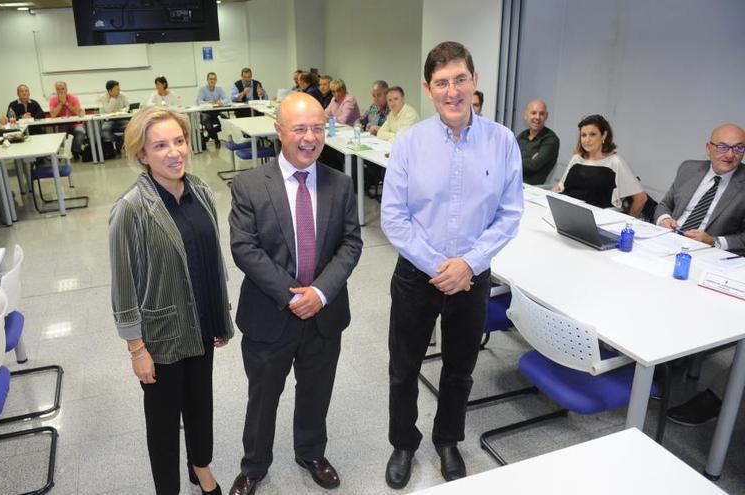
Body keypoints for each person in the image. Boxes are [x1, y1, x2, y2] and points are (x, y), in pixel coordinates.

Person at [380, 41, 523, 488]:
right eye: (442, 83)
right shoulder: (409, 143)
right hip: (415, 276)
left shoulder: (502, 142)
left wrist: (469, 264)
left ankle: (447, 439)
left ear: (474, 81)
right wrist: (439, 265)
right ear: (428, 88)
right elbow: (394, 217)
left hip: (472, 278)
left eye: (460, 79)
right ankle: (403, 442)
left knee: (460, 368)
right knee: (404, 367)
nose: (452, 91)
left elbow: (510, 213)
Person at [227, 93, 363, 495]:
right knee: (263, 397)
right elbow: (244, 248)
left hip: (324, 314)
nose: (309, 138)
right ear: (279, 130)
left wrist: (319, 293)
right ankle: (254, 467)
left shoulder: (340, 184)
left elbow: (351, 244)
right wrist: (292, 296)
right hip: (270, 316)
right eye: (300, 128)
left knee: (317, 391)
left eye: (318, 128)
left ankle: (311, 452)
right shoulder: (249, 184)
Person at [108, 107, 233, 495]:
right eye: (160, 145)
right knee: (163, 422)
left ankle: (201, 468)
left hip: (201, 322)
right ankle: (168, 488)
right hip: (160, 335)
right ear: (142, 155)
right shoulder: (131, 208)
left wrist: (220, 305)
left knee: (200, 405)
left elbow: (211, 254)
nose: (174, 152)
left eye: (179, 141)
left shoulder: (200, 189)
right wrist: (136, 349)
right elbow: (123, 284)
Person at [655, 123, 745, 253]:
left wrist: (714, 241)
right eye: (722, 147)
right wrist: (664, 219)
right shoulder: (688, 169)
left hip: (710, 253)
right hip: (668, 240)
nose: (730, 155)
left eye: (738, 148)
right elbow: (665, 204)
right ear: (708, 149)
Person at [552, 114, 647, 217]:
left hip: (598, 220)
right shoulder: (576, 159)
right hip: (566, 214)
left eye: (592, 134)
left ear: (604, 135)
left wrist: (626, 225)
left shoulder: (615, 162)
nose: (587, 140)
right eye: (583, 135)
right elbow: (559, 187)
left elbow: (641, 198)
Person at [515, 99, 560, 185]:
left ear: (546, 116)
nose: (537, 117)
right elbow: (508, 156)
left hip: (533, 191)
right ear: (525, 115)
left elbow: (533, 166)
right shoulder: (522, 136)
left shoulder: (551, 140)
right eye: (533, 113)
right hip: (513, 184)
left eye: (542, 114)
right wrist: (527, 160)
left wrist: (513, 160)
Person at [48, 81, 87, 160]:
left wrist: (66, 103)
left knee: (81, 132)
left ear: (66, 89)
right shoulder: (53, 99)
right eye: (58, 89)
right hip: (62, 125)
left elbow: (77, 112)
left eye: (63, 89)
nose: (61, 91)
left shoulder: (74, 98)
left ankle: (75, 151)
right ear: (56, 90)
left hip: (75, 124)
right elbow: (53, 115)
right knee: (60, 135)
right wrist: (61, 104)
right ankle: (60, 155)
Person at [195, 72, 230, 149]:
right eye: (210, 79)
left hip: (215, 111)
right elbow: (198, 102)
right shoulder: (202, 88)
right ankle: (216, 139)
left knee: (226, 121)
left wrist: (222, 102)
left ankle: (207, 137)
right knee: (207, 124)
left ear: (216, 80)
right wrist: (207, 103)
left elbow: (227, 99)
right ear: (207, 80)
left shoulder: (219, 88)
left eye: (214, 79)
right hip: (205, 112)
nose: (212, 81)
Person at [98, 80, 131, 154]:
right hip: (109, 121)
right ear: (110, 91)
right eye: (117, 89)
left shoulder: (123, 95)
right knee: (104, 132)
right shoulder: (103, 97)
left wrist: (120, 110)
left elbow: (127, 106)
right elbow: (108, 110)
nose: (119, 90)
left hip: (122, 119)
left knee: (130, 129)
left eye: (119, 88)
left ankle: (119, 145)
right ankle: (119, 140)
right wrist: (113, 98)